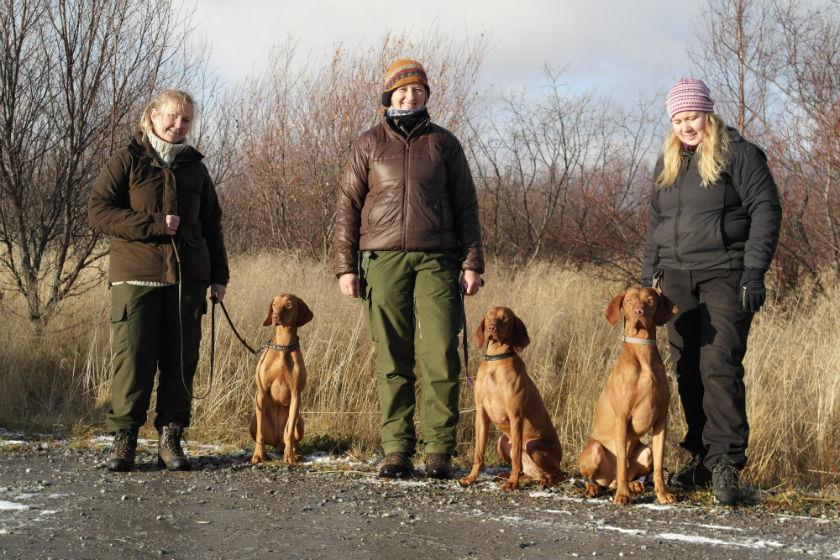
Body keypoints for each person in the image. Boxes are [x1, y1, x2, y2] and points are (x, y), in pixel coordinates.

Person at [333, 59, 484, 479]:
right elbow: (347, 207)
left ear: (426, 96)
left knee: (440, 353)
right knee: (392, 356)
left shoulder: (444, 144)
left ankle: (439, 450)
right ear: (388, 96)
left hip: (438, 259)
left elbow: (467, 207)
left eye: (417, 90)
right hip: (380, 261)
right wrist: (346, 267)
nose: (410, 96)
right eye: (402, 90)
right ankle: (396, 449)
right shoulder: (368, 144)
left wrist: (471, 263)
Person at [641, 79, 782, 504]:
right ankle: (701, 458)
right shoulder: (668, 163)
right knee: (686, 369)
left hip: (726, 274)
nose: (686, 126)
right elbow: (656, 223)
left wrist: (754, 271)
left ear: (708, 114)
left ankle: (725, 464)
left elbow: (766, 209)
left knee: (718, 365)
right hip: (677, 281)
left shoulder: (739, 154)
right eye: (679, 119)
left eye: (692, 117)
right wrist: (649, 276)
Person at [89, 89, 229, 472]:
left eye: (185, 120)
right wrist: (152, 224)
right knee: (132, 363)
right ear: (152, 115)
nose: (177, 125)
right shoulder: (128, 160)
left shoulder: (195, 168)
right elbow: (98, 212)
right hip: (137, 278)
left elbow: (212, 225)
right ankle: (124, 441)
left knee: (181, 362)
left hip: (189, 281)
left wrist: (219, 276)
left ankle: (171, 440)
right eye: (171, 116)